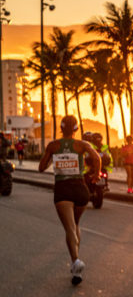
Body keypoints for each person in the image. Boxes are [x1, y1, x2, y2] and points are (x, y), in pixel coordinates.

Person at [38, 116, 101, 285]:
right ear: (76, 129)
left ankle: (75, 261)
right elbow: (96, 157)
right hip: (81, 189)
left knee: (70, 228)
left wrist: (53, 157)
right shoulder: (82, 145)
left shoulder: (53, 145)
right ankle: (76, 271)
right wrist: (96, 174)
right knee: (76, 225)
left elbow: (41, 167)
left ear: (60, 128)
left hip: (63, 189)